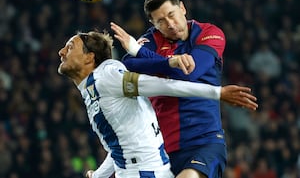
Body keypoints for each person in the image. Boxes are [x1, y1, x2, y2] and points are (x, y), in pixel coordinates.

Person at [57, 30, 257, 178]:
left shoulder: (107, 75)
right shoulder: (92, 89)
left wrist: (218, 92)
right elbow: (120, 148)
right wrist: (99, 176)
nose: (61, 52)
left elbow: (164, 86)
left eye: (70, 47)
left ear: (90, 57)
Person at [110, 0, 253, 178]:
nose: (170, 24)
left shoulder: (209, 33)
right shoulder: (152, 40)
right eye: (161, 21)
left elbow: (189, 74)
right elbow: (128, 66)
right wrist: (169, 62)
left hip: (204, 140)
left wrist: (144, 54)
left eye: (172, 14)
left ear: (183, 8)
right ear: (153, 23)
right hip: (160, 148)